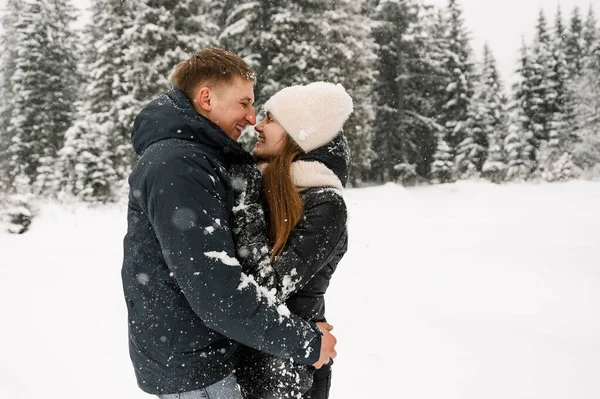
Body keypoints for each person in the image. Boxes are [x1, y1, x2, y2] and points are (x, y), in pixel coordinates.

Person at [121, 48, 337, 399]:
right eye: (243, 103)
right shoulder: (179, 165)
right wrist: (308, 343)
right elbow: (217, 288)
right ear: (206, 98)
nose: (252, 118)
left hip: (201, 359)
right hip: (196, 371)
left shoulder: (196, 158)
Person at [229, 82, 353, 399]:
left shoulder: (325, 205)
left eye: (270, 119)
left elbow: (266, 291)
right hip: (243, 361)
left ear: (300, 134)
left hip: (290, 373)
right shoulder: (261, 182)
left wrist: (248, 203)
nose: (257, 124)